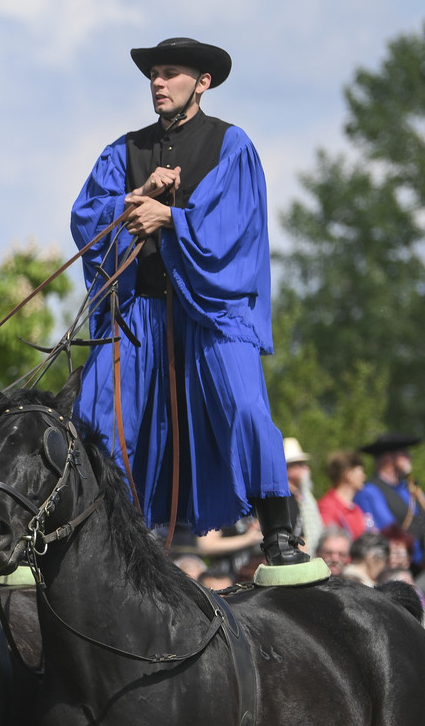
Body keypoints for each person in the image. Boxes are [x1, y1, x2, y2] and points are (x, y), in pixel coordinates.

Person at [68, 37, 311, 577]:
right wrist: (135, 199)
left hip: (211, 313)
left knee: (245, 407)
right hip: (140, 312)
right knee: (96, 416)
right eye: (153, 73)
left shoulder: (231, 144)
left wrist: (171, 218)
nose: (157, 82)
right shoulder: (124, 150)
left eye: (170, 73)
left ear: (201, 83)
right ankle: (92, 542)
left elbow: (233, 228)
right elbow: (87, 219)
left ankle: (279, 533)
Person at [355, 434, 425, 565]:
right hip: (397, 564)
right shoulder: (369, 493)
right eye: (404, 453)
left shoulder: (413, 489)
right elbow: (388, 532)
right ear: (388, 457)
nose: (410, 457)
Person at [317, 451, 369, 544]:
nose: (364, 476)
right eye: (360, 472)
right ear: (348, 474)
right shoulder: (327, 507)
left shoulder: (355, 508)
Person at [281, 437, 323, 551]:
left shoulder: (306, 495)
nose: (306, 468)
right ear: (286, 468)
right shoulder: (282, 499)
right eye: (299, 464)